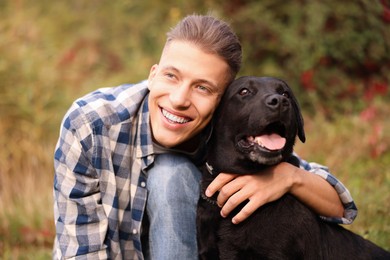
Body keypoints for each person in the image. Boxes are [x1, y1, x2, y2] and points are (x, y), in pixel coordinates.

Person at [53, 14, 357, 259]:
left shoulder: (223, 132)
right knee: (171, 172)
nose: (179, 99)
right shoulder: (90, 125)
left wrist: (289, 176)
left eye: (202, 88)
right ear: (153, 73)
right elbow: (79, 249)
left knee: (171, 174)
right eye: (171, 76)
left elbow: (340, 206)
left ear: (221, 103)